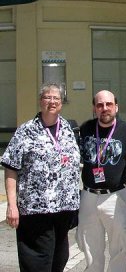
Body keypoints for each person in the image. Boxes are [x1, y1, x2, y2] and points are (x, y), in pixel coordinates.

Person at [1, 83, 80, 272]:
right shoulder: (25, 131)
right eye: (47, 97)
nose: (52, 102)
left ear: (61, 102)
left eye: (56, 98)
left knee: (59, 259)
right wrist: (12, 205)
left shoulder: (69, 129)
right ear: (40, 101)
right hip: (35, 209)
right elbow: (11, 167)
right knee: (36, 262)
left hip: (64, 208)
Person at [76, 90, 126, 272]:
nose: (105, 108)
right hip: (88, 196)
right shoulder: (86, 128)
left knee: (119, 247)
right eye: (100, 105)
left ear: (116, 107)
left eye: (109, 104)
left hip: (115, 197)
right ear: (94, 108)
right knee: (89, 247)